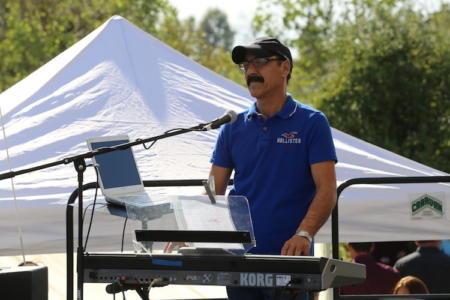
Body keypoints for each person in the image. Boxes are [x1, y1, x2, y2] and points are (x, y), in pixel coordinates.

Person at [209, 37, 337, 300]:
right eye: (246, 66)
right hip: (239, 262)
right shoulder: (231, 126)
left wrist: (304, 234)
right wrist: (188, 234)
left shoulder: (312, 122)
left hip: (290, 261)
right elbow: (213, 191)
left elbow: (327, 190)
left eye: (260, 62)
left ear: (285, 67)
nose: (251, 71)